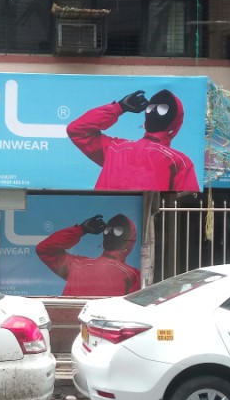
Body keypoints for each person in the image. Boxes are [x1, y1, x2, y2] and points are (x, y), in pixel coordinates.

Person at [67, 89, 200, 192]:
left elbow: (77, 130)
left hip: (108, 215)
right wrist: (119, 107)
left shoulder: (115, 149)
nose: (153, 111)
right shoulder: (178, 161)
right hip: (145, 220)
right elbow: (185, 207)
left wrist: (119, 107)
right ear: (176, 122)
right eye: (151, 108)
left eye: (161, 109)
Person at [36, 213, 141, 297]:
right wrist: (81, 230)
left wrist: (81, 230)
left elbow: (45, 249)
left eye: (117, 231)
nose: (109, 233)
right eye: (108, 230)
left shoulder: (77, 265)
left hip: (72, 318)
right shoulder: (132, 275)